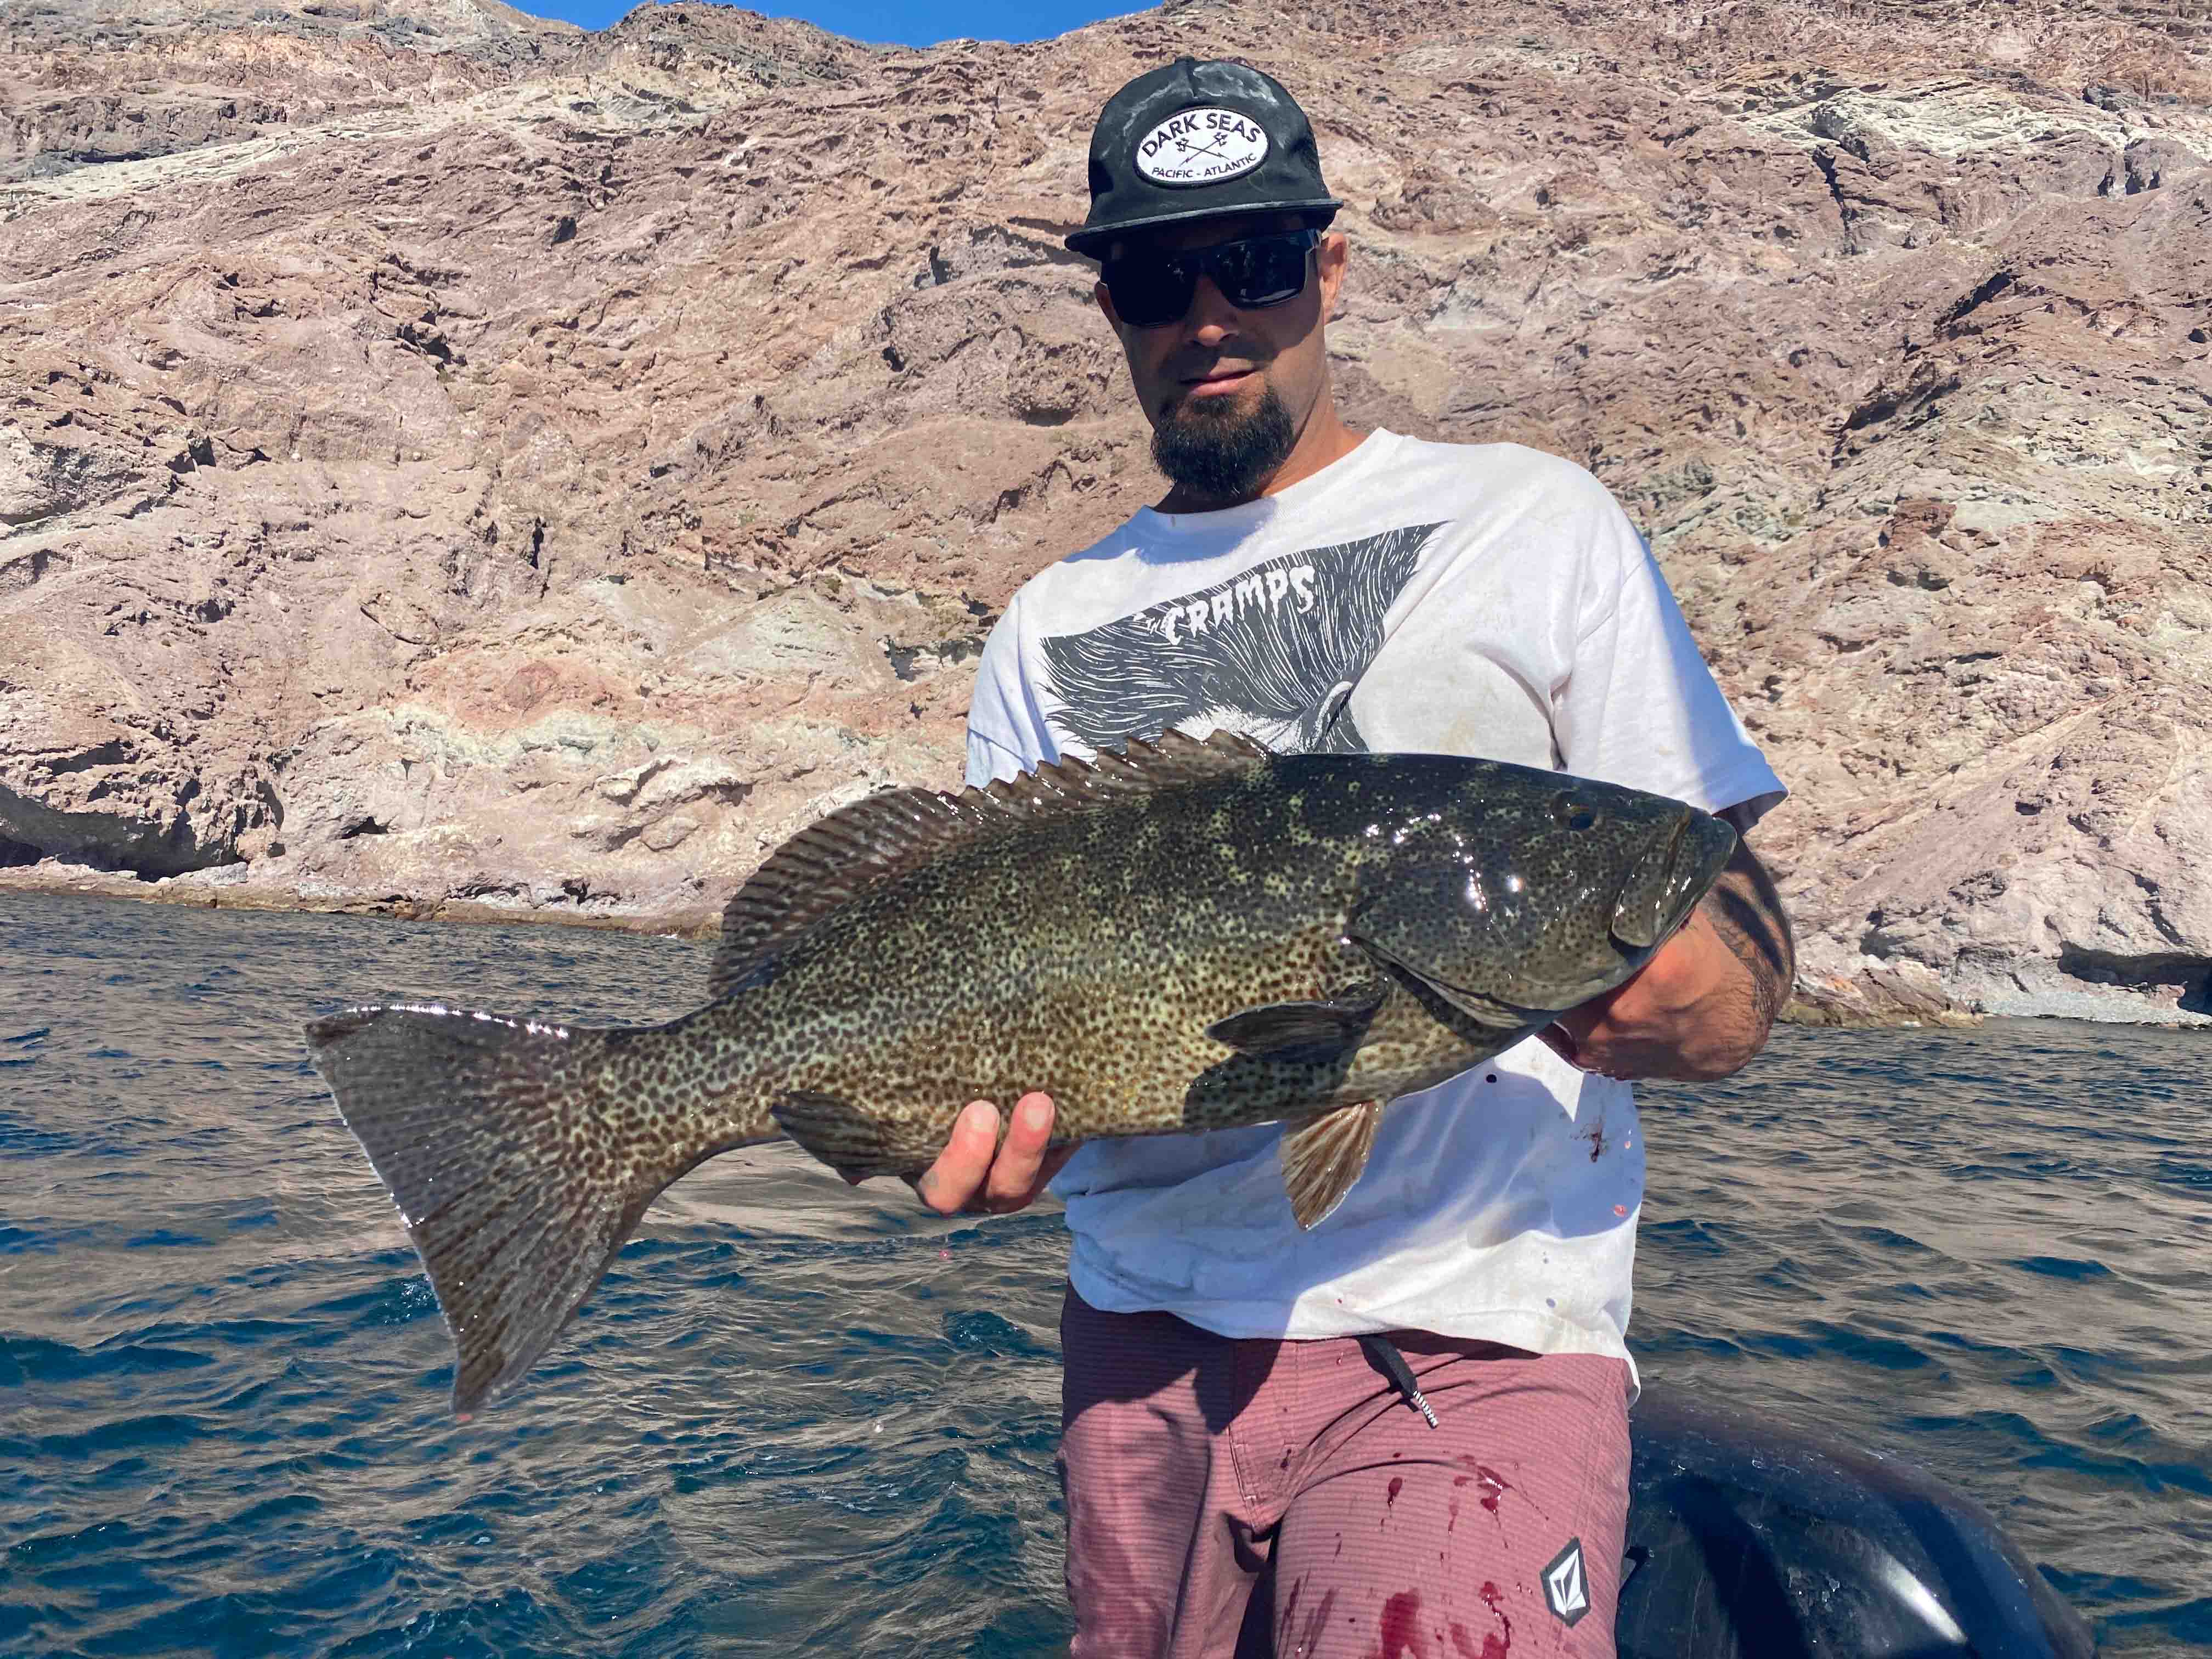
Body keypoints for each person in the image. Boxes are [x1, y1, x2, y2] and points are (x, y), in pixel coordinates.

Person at [917, 57, 1795, 1658]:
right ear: (1107, 302)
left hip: (1474, 1337)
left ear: (1327, 267)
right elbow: (1000, 995)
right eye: (1149, 277)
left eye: (1249, 266)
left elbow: (1722, 910)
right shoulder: (1046, 624)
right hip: (1141, 1337)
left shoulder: (1533, 522)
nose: (1205, 317)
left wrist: (1712, 996)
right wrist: (953, 1140)